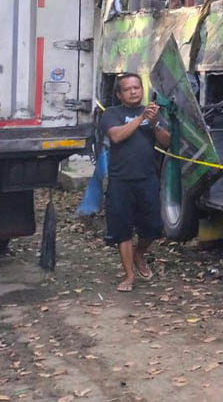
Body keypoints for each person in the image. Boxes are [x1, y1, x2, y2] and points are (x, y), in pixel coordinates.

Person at [99, 73, 169, 292]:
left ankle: (140, 253)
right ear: (119, 94)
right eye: (128, 89)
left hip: (147, 178)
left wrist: (155, 122)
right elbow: (117, 136)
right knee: (122, 230)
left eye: (137, 88)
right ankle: (129, 275)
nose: (134, 92)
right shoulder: (111, 114)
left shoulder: (154, 113)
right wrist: (141, 119)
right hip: (121, 180)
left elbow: (166, 142)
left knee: (153, 227)